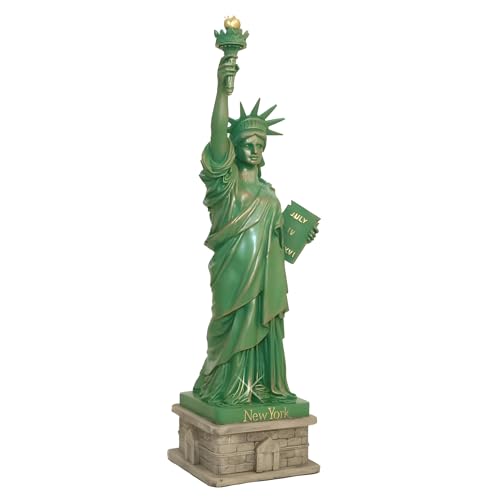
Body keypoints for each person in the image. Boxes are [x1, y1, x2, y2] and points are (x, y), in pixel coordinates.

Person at [193, 56, 317, 406]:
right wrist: (222, 89)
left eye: (261, 144)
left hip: (264, 279)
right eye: (248, 142)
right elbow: (217, 134)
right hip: (233, 275)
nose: (255, 148)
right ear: (234, 147)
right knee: (228, 327)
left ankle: (260, 387)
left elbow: (275, 240)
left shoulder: (268, 192)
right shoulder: (226, 185)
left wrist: (297, 237)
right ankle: (225, 386)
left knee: (263, 328)